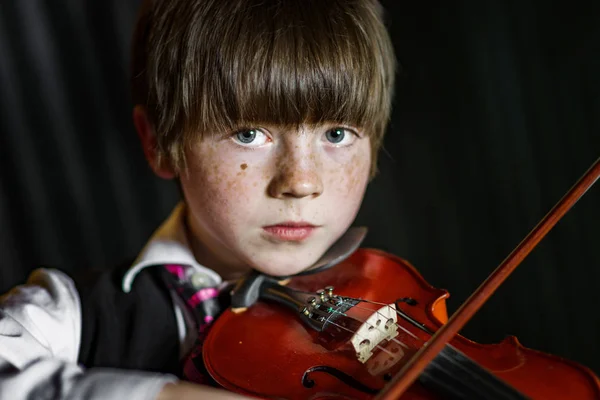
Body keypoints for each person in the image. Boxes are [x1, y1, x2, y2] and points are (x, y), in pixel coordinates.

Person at [0, 0, 397, 399]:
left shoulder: (390, 307)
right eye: (248, 134)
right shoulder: (66, 317)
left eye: (337, 134)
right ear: (157, 143)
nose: (300, 182)